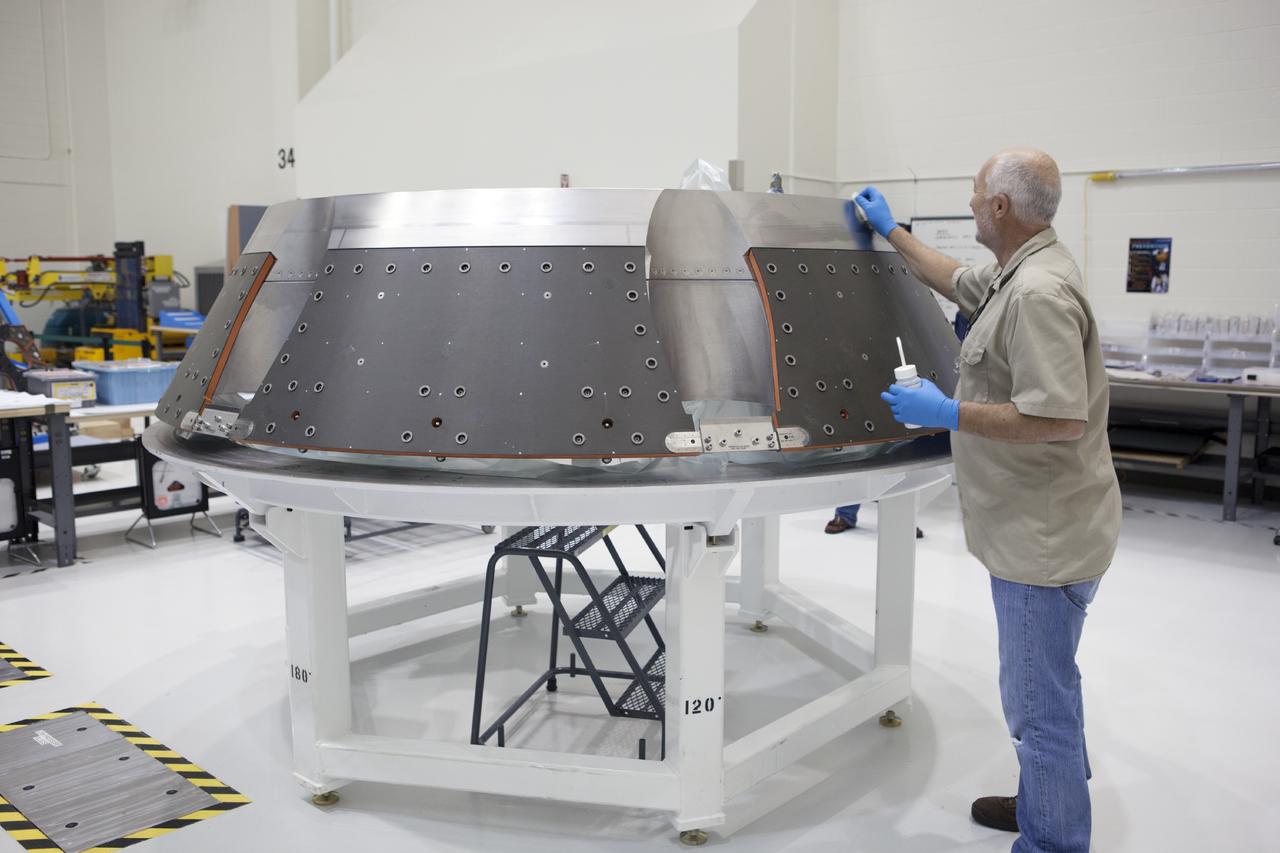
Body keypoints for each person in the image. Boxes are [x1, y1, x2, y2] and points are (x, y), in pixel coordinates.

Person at [850, 149, 1121, 853]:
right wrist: (891, 232)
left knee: (1038, 702)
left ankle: (1052, 838)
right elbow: (955, 277)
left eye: (976, 196)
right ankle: (1043, 795)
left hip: (1045, 541)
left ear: (1000, 207)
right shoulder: (1022, 271)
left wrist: (950, 413)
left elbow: (1059, 417)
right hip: (1044, 530)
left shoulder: (1036, 295)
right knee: (1046, 682)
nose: (971, 204)